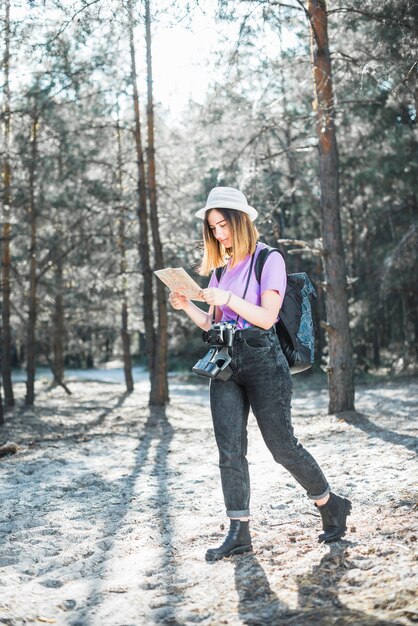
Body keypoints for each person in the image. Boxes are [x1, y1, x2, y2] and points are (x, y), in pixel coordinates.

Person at [169, 186, 352, 561]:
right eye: (212, 228)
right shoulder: (221, 268)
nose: (218, 234)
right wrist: (188, 304)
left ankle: (329, 503)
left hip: (264, 360)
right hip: (225, 361)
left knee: (282, 446)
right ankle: (239, 531)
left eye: (223, 225)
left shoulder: (269, 259)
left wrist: (229, 299)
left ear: (241, 221)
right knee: (230, 451)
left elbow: (266, 317)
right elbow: (212, 323)